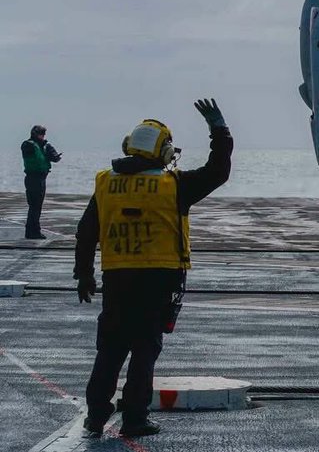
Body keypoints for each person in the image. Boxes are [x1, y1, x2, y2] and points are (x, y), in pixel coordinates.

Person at [74, 99, 232, 438]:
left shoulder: (105, 183)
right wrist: (218, 128)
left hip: (116, 278)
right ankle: (134, 418)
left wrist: (84, 274)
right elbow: (218, 170)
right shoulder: (174, 186)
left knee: (110, 350)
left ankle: (96, 416)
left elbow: (87, 231)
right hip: (159, 280)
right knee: (145, 349)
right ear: (164, 152)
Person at [20, 125, 62, 239]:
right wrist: (44, 147)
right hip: (33, 178)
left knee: (36, 206)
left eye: (43, 134)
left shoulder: (43, 146)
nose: (43, 136)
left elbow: (53, 158)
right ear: (35, 134)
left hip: (41, 178)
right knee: (34, 206)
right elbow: (33, 156)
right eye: (41, 134)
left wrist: (53, 154)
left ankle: (32, 231)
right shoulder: (28, 144)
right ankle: (33, 231)